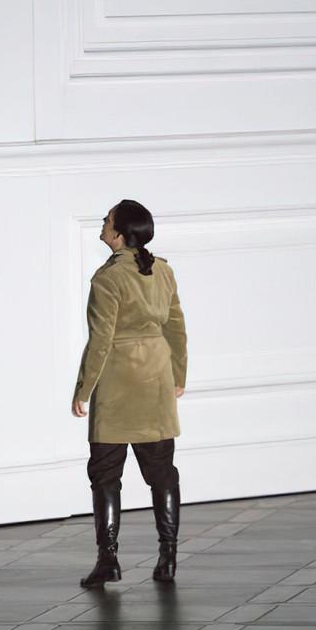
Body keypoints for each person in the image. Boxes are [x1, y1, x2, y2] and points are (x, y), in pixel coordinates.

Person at [71, 199, 188, 587]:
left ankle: (108, 559)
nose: (102, 225)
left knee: (105, 474)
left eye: (107, 221)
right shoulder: (163, 271)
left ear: (120, 234)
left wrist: (84, 389)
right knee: (162, 472)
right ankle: (168, 557)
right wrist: (178, 374)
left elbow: (100, 340)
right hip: (156, 377)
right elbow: (176, 327)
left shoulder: (107, 279)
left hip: (118, 382)